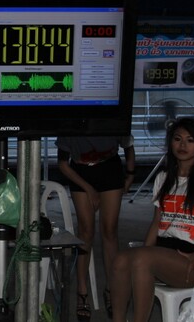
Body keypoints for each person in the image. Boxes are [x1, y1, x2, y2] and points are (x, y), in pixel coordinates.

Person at [110, 118, 194, 322]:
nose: (182, 145)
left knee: (143, 259)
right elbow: (157, 223)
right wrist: (145, 250)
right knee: (121, 259)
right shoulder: (163, 178)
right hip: (164, 251)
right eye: (177, 139)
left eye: (190, 140)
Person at [55, 135, 135, 321]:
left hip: (110, 170)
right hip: (80, 173)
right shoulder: (72, 123)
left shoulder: (112, 120)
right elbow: (63, 164)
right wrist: (89, 189)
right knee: (85, 231)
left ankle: (112, 289)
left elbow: (128, 146)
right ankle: (82, 292)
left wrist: (131, 174)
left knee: (109, 231)